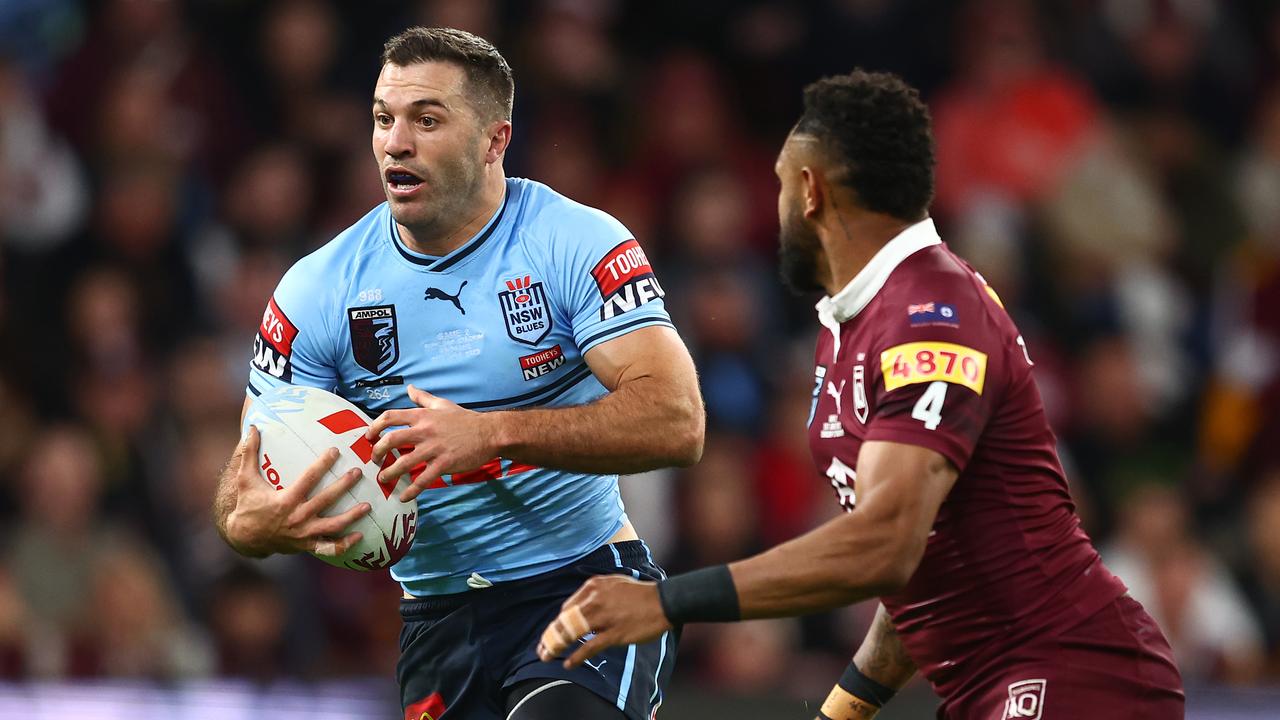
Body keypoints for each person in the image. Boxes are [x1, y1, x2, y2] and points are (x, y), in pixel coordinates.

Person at [537, 69, 1185, 720]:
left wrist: (665, 602)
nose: (777, 206)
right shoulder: (854, 324)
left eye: (782, 185)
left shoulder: (933, 316)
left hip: (1072, 668)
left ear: (812, 189)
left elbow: (886, 543)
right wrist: (842, 711)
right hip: (995, 682)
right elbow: (920, 567)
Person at [211, 27, 704, 720]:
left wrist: (491, 434)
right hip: (437, 622)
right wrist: (257, 523)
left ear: (495, 141)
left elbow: (679, 421)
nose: (395, 142)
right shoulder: (316, 290)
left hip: (584, 587)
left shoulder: (575, 242)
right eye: (384, 119)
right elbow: (241, 486)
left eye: (427, 120)